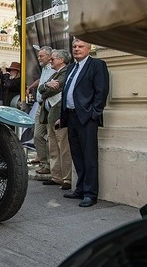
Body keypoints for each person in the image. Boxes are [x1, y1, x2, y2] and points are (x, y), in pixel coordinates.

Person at [60, 38, 109, 207]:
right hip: (71, 117)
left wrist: (94, 114)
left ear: (89, 48)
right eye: (74, 46)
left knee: (89, 157)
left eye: (81, 46)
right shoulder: (72, 67)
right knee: (77, 156)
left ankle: (90, 193)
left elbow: (101, 92)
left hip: (87, 118)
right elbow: (67, 92)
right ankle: (80, 188)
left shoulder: (97, 65)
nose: (76, 49)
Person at [37, 49, 72, 190]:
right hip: (51, 115)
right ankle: (56, 176)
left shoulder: (65, 72)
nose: (51, 61)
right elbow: (41, 88)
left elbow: (55, 89)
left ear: (62, 60)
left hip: (59, 116)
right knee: (53, 147)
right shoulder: (55, 73)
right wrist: (46, 86)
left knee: (63, 147)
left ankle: (66, 178)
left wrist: (46, 88)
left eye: (53, 59)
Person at [30, 47, 55, 174]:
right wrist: (31, 87)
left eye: (41, 56)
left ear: (49, 56)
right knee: (37, 135)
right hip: (40, 106)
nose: (39, 58)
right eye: (39, 56)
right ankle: (45, 163)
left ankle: (51, 165)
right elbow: (42, 81)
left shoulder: (54, 68)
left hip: (50, 105)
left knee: (51, 136)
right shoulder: (44, 68)